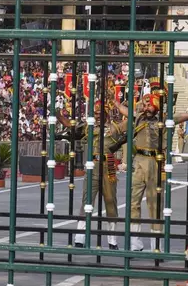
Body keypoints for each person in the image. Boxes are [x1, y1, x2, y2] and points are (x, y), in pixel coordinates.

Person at [117, 83, 188, 251]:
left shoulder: (163, 120)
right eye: (145, 104)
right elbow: (125, 111)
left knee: (154, 204)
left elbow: (182, 116)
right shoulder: (138, 119)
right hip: (139, 162)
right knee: (133, 201)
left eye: (150, 104)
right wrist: (117, 104)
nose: (146, 107)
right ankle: (135, 242)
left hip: (155, 164)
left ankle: (157, 243)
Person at [57, 100, 121, 250]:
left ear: (107, 114)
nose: (97, 116)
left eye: (100, 113)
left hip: (109, 164)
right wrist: (57, 114)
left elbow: (131, 125)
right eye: (96, 113)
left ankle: (113, 241)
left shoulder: (114, 127)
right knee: (87, 202)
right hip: (92, 165)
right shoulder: (88, 127)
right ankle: (80, 238)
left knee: (111, 202)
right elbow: (69, 125)